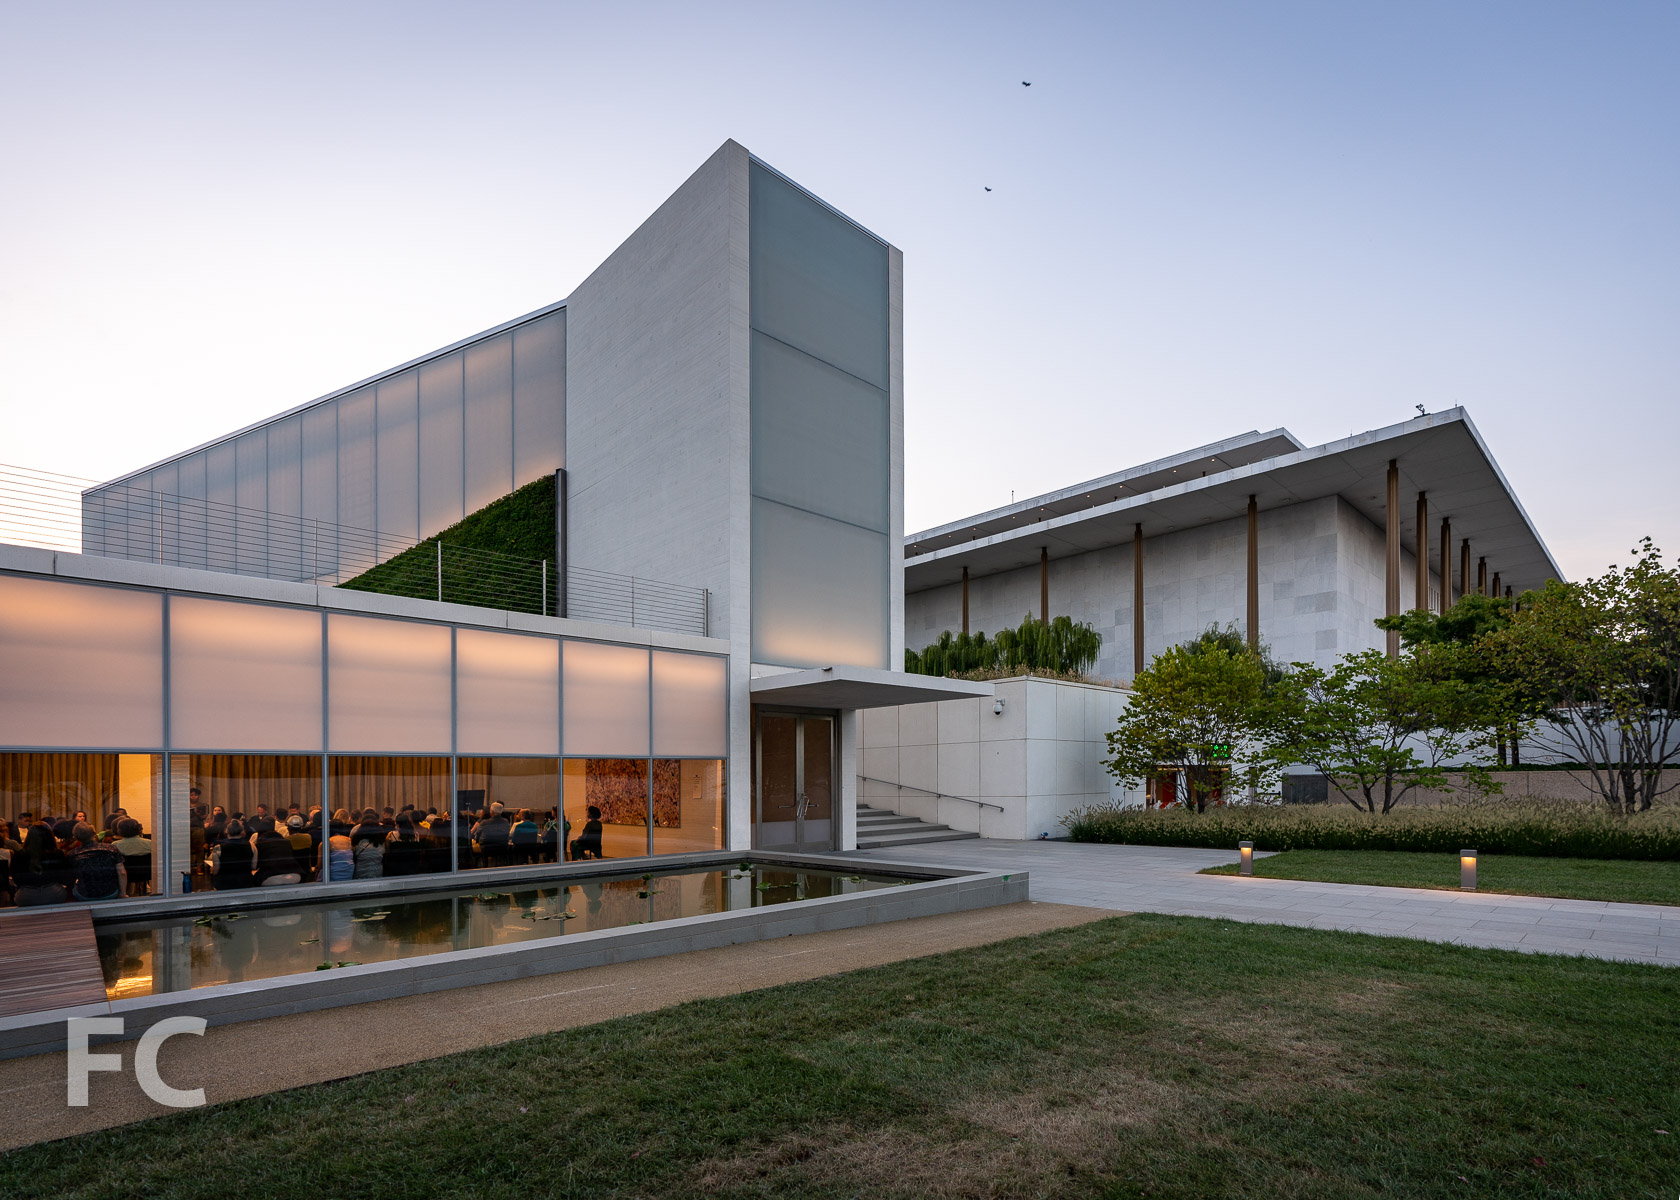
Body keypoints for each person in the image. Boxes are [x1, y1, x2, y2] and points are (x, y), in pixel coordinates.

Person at [14, 824, 72, 905]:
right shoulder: (57, 853)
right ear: (50, 836)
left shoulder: (19, 855)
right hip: (53, 893)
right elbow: (64, 877)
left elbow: (16, 879)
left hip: (26, 896)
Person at [69, 824, 126, 901]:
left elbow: (70, 877)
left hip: (84, 894)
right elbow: (122, 872)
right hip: (111, 892)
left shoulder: (72, 854)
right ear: (94, 833)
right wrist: (123, 893)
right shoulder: (111, 848)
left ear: (75, 837)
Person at [253, 818, 302, 887]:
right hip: (295, 875)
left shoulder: (260, 844)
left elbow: (256, 865)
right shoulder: (286, 842)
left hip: (270, 877)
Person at [111, 817, 154, 896]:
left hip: (127, 876)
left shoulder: (115, 845)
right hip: (147, 874)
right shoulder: (150, 843)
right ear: (139, 829)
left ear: (120, 830)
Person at [210, 820, 256, 890]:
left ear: (227, 831)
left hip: (224, 884)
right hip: (245, 883)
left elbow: (216, 871)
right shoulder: (252, 846)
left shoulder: (218, 848)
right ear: (242, 831)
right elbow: (253, 866)